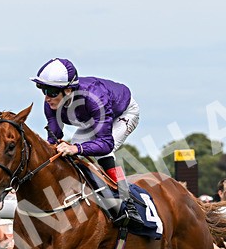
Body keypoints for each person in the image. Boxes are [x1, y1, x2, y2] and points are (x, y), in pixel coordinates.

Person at [31, 57, 143, 227]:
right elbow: (53, 139)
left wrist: (76, 148)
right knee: (70, 148)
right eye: (43, 90)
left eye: (52, 92)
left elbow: (106, 143)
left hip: (123, 113)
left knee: (100, 151)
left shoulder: (95, 98)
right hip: (92, 119)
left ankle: (127, 202)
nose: (47, 97)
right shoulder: (51, 104)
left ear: (68, 91)